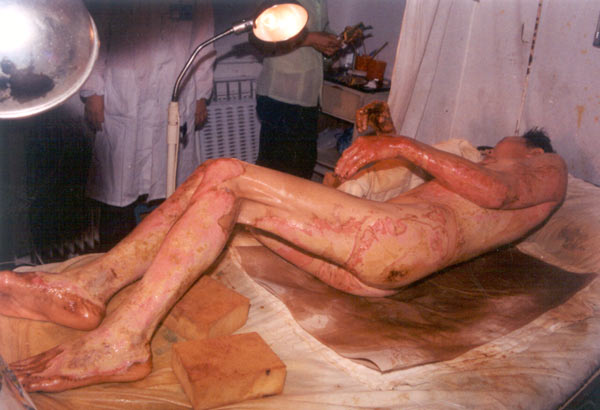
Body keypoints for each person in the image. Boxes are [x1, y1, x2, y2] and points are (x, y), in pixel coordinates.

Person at [0, 102, 567, 392]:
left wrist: (405, 145)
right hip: (376, 267)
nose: (487, 152)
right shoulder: (481, 178)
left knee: (226, 171)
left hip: (399, 243)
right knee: (226, 202)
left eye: (499, 146)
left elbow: (496, 192)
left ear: (533, 148)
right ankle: (90, 288)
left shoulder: (547, 167)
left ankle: (120, 331)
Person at [81, 0, 216, 250]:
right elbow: (96, 35)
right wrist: (92, 90)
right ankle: (113, 259)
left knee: (171, 185)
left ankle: (164, 257)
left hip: (174, 89)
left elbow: (204, 41)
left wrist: (201, 94)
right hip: (125, 92)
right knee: (119, 189)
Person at [254, 0, 341, 179]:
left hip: (308, 96)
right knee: (275, 171)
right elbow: (259, 37)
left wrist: (332, 40)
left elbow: (320, 28)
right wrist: (311, 39)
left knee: (302, 167)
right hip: (280, 96)